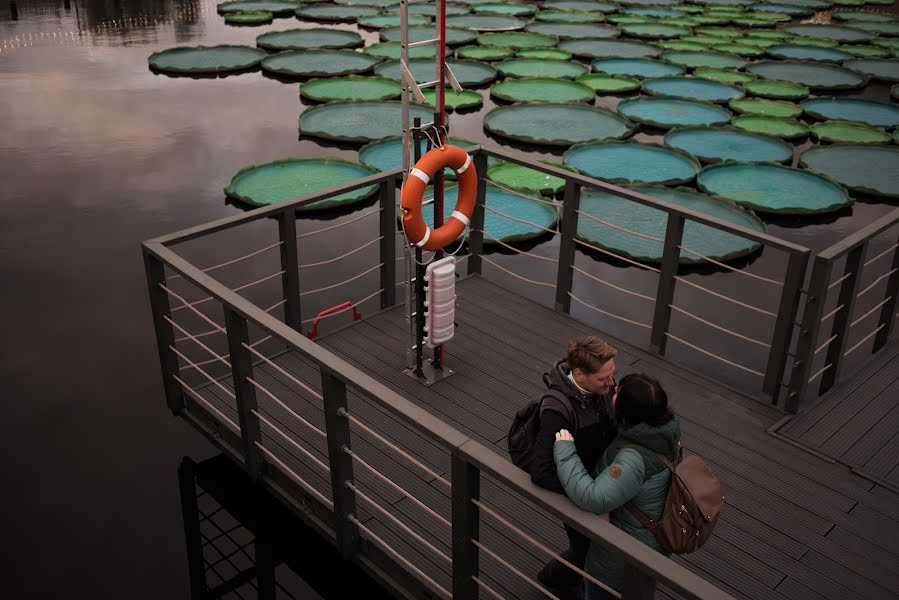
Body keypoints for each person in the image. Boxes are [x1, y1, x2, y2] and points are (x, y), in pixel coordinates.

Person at [553, 373, 681, 600]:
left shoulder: (634, 459)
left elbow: (594, 498)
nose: (613, 387)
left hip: (620, 555)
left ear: (628, 411)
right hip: (648, 539)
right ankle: (556, 574)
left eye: (619, 391)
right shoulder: (664, 428)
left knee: (599, 592)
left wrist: (565, 451)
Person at [532, 336, 619, 599]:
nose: (612, 383)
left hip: (600, 484)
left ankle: (555, 576)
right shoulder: (557, 411)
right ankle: (552, 577)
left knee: (590, 550)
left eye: (612, 375)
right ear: (579, 375)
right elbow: (542, 471)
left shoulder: (600, 388)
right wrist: (585, 491)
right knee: (585, 551)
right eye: (604, 378)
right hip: (581, 493)